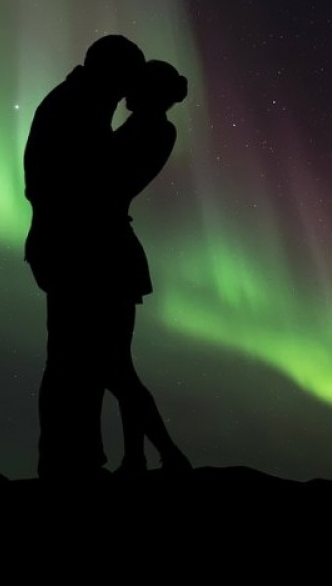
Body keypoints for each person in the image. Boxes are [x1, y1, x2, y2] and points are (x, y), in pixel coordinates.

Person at [23, 35, 145, 479]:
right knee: (75, 359)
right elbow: (74, 182)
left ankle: (73, 458)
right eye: (129, 75)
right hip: (73, 248)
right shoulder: (77, 106)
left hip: (68, 246)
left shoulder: (80, 103)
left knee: (78, 359)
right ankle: (68, 461)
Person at [104, 59, 192, 475]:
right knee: (119, 365)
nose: (125, 93)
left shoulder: (149, 129)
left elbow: (106, 173)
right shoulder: (155, 128)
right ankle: (139, 457)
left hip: (110, 250)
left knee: (115, 367)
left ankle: (167, 454)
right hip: (116, 249)